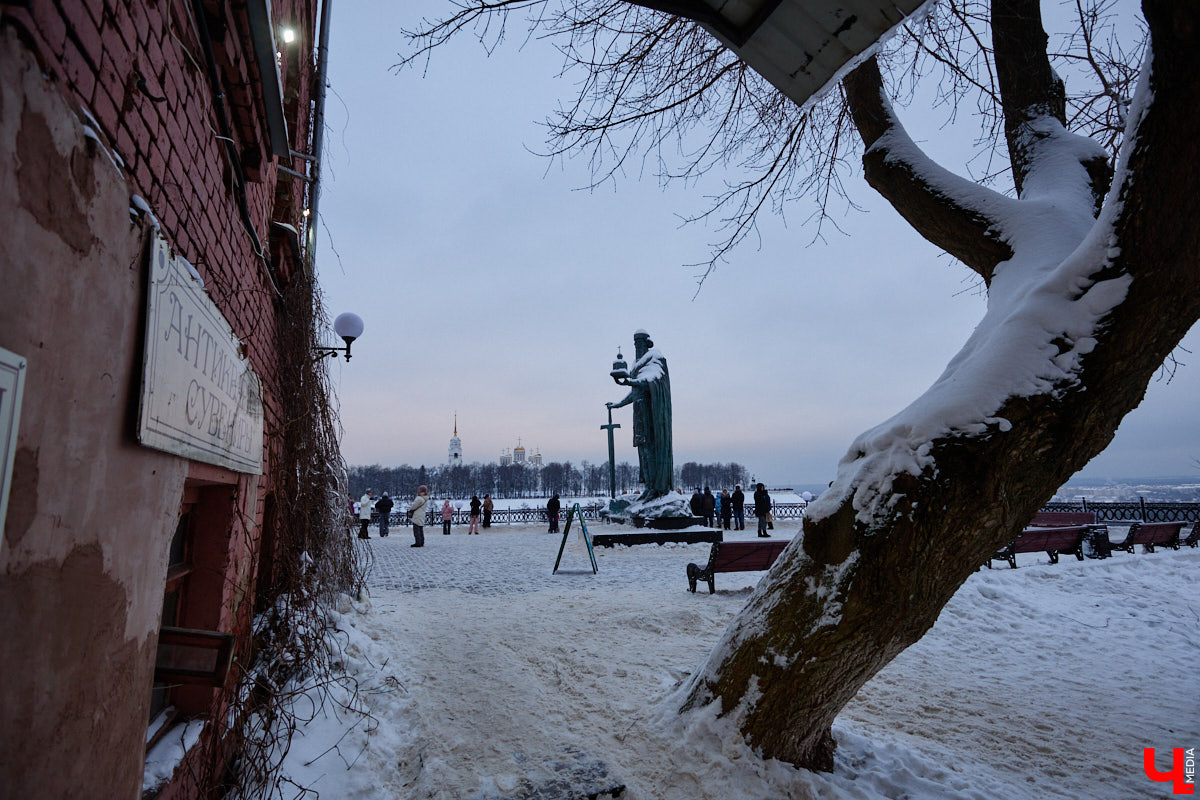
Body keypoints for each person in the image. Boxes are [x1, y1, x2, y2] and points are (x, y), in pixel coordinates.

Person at [607, 331, 673, 502]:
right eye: (635, 345)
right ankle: (649, 487)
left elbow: (651, 381)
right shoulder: (636, 365)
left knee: (650, 451)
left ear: (647, 344)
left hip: (651, 415)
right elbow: (635, 392)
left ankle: (656, 488)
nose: (637, 348)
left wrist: (630, 381)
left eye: (640, 344)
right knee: (642, 451)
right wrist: (618, 404)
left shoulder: (655, 359)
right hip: (638, 413)